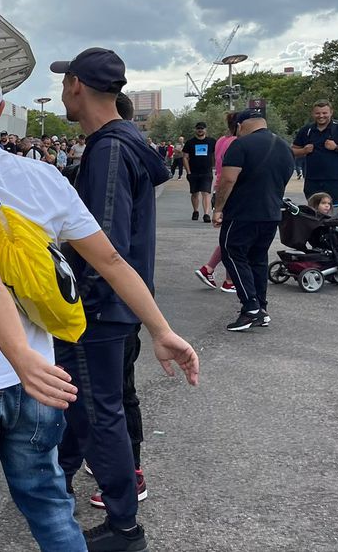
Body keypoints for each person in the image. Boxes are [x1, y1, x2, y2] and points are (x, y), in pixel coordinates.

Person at [0, 49, 198, 552]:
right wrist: (161, 329)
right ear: (0, 111)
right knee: (49, 508)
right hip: (42, 383)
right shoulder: (42, 175)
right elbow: (111, 260)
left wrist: (17, 359)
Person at [51, 47, 197, 550]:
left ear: (76, 85)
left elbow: (104, 245)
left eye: (63, 83)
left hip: (100, 308)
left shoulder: (109, 149)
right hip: (120, 306)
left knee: (97, 409)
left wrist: (78, 302)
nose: (60, 93)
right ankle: (58, 481)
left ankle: (123, 527)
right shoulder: (126, 141)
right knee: (82, 401)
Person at [213, 108, 296, 331]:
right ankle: (261, 307)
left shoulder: (240, 145)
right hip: (271, 213)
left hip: (242, 212)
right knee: (257, 259)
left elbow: (228, 180)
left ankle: (250, 308)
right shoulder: (284, 147)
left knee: (232, 252)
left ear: (240, 126)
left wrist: (218, 208)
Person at [195, 113, 241, 293]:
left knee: (230, 236)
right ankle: (227, 278)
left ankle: (211, 270)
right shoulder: (237, 142)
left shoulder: (222, 139)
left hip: (219, 187)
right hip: (233, 189)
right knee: (235, 238)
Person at [292, 100, 338, 214]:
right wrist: (303, 150)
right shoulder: (307, 130)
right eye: (317, 113)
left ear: (331, 112)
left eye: (324, 113)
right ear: (312, 114)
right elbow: (293, 151)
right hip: (312, 180)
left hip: (336, 180)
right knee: (313, 213)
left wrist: (337, 147)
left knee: (335, 214)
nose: (321, 116)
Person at [183, 122, 217, 222]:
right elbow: (185, 157)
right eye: (198, 128)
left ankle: (206, 214)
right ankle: (195, 211)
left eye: (202, 128)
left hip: (207, 172)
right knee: (194, 193)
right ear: (195, 130)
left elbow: (216, 154)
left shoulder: (211, 141)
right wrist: (188, 171)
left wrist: (214, 166)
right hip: (193, 172)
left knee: (206, 192)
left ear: (205, 130)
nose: (200, 130)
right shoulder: (190, 142)